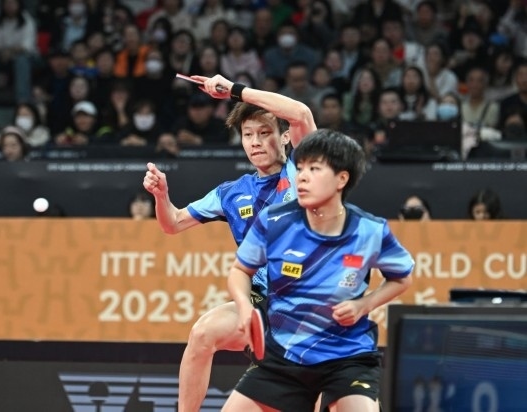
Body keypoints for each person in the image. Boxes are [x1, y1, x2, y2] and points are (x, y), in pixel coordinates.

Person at [142, 73, 317, 412]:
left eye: (264, 133)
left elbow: (301, 113)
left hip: (312, 307)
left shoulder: (303, 170)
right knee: (202, 334)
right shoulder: (232, 193)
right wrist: (162, 196)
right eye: (248, 134)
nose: (255, 142)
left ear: (285, 137)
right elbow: (173, 224)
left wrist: (236, 91)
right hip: (263, 305)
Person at [224, 129, 414, 411]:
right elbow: (240, 270)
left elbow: (402, 278)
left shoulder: (369, 230)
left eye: (314, 169)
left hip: (346, 356)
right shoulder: (274, 221)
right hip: (285, 355)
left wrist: (364, 305)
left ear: (341, 179)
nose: (301, 176)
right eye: (300, 168)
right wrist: (244, 307)